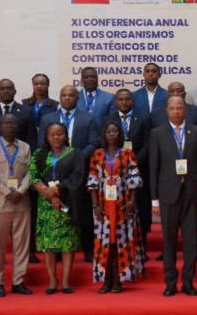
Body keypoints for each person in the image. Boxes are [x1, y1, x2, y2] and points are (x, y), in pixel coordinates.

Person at [150, 96, 197, 297]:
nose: (176, 112)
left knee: (191, 240)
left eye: (179, 108)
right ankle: (170, 282)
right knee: (169, 240)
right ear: (166, 110)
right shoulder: (157, 133)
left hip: (192, 194)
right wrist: (154, 200)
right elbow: (153, 168)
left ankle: (188, 282)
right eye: (172, 108)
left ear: (185, 110)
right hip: (168, 195)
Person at [0, 79, 39, 264]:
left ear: (15, 90)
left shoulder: (26, 111)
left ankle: (28, 252)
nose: (6, 91)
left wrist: (21, 187)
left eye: (9, 88)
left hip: (21, 167)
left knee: (23, 223)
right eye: (2, 88)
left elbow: (32, 138)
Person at [39, 85, 99, 263]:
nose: (67, 98)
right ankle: (56, 249)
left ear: (77, 98)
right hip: (53, 171)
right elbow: (41, 144)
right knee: (57, 210)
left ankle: (87, 248)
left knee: (82, 210)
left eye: (71, 95)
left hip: (78, 172)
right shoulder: (47, 118)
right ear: (59, 97)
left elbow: (92, 142)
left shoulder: (87, 118)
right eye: (63, 95)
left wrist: (76, 158)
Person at [88, 120, 143, 293]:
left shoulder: (128, 154)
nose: (112, 134)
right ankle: (107, 280)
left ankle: (118, 279)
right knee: (106, 243)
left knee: (120, 242)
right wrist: (95, 205)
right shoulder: (97, 154)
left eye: (115, 131)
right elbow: (92, 181)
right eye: (108, 131)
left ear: (120, 134)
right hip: (103, 206)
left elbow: (135, 180)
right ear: (103, 135)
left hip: (123, 205)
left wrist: (132, 203)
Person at [0, 114, 34, 296]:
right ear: (0, 126)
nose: (10, 126)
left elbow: (30, 173)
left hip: (21, 202)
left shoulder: (25, 147)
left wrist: (20, 191)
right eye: (6, 123)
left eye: (14, 123)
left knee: (21, 245)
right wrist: (7, 191)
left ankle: (19, 281)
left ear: (18, 127)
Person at [29, 122, 81, 294]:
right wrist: (50, 195)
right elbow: (33, 177)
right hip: (46, 205)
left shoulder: (75, 154)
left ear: (65, 135)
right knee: (48, 244)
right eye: (52, 134)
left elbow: (77, 177)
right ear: (47, 137)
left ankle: (66, 280)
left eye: (59, 134)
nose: (56, 137)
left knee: (67, 243)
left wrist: (57, 192)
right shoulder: (39, 153)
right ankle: (52, 280)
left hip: (67, 203)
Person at [111, 89, 152, 263]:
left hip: (140, 168)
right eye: (121, 99)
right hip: (116, 172)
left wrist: (133, 161)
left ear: (132, 101)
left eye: (128, 99)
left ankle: (141, 250)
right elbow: (106, 143)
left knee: (141, 210)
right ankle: (121, 249)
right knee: (120, 210)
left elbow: (148, 142)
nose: (124, 102)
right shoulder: (109, 119)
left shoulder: (143, 117)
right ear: (116, 102)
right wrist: (121, 162)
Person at [23, 73, 59, 153]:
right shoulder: (24, 103)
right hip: (28, 141)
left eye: (42, 84)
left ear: (48, 85)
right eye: (36, 84)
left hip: (47, 142)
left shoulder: (55, 105)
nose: (39, 86)